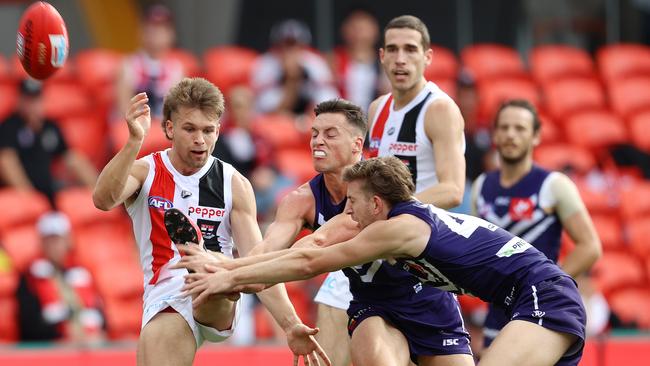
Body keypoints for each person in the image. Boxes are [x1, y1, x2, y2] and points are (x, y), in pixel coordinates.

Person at [179, 156, 588, 366]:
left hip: (541, 296)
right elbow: (305, 252)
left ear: (376, 203)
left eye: (352, 202)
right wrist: (229, 269)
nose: (347, 210)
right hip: (529, 297)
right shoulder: (404, 220)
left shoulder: (398, 228)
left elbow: (309, 262)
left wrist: (224, 270)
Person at [92, 77, 327, 366]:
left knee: (213, 276)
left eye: (208, 130)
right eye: (190, 129)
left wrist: (290, 324)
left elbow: (259, 260)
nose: (200, 140)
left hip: (220, 290)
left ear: (218, 130)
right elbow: (103, 200)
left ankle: (205, 262)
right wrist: (133, 142)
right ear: (169, 128)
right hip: (165, 295)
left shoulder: (234, 183)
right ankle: (201, 261)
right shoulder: (146, 172)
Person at [313, 14, 467, 365]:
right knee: (332, 300)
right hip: (381, 245)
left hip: (423, 249)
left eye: (411, 50)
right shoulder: (377, 108)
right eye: (393, 49)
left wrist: (391, 209)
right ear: (380, 55)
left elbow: (453, 189)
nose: (401, 59)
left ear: (427, 57)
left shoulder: (439, 109)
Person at [471, 99, 602, 350]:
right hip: (497, 313)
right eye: (504, 128)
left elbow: (590, 246)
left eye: (520, 128)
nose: (511, 135)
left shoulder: (554, 185)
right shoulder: (481, 186)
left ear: (536, 136)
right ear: (495, 134)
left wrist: (548, 283)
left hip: (540, 310)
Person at [0, 78, 98, 204]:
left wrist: (98, 190)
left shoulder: (50, 126)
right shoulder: (10, 126)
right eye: (28, 99)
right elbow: (7, 162)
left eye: (36, 99)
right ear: (20, 100)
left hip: (50, 193)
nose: (32, 105)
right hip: (22, 198)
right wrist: (30, 199)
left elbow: (72, 158)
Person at [16, 212, 105, 342]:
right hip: (53, 346)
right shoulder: (29, 276)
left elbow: (100, 312)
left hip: (89, 343)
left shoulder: (83, 271)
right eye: (49, 240)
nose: (54, 245)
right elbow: (29, 323)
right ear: (41, 242)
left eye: (58, 239)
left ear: (68, 240)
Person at [251, 19, 339, 115]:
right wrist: (292, 80)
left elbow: (329, 99)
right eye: (286, 44)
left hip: (309, 119)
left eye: (294, 44)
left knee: (326, 96)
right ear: (277, 45)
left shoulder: (314, 62)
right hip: (275, 121)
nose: (290, 49)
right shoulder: (266, 63)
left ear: (303, 45)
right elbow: (267, 110)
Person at [116, 3, 184, 119]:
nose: (157, 33)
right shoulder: (129, 65)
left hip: (164, 130)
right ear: (141, 31)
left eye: (163, 28)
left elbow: (180, 109)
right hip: (136, 129)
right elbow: (123, 107)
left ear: (171, 34)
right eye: (151, 27)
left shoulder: (176, 69)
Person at [329, 8, 389, 112]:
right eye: (354, 27)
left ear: (375, 30)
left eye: (363, 28)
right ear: (344, 30)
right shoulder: (332, 61)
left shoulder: (386, 63)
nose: (359, 33)